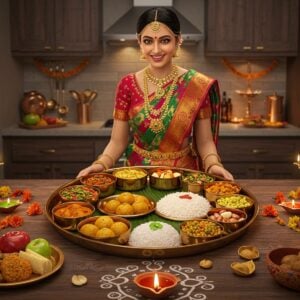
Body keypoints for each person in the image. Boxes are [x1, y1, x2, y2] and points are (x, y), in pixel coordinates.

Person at [77, 7, 233, 180]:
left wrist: (213, 165)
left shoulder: (196, 85)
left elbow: (205, 142)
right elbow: (118, 141)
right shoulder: (127, 84)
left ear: (178, 40)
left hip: (182, 177)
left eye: (165, 40)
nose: (156, 50)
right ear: (139, 42)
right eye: (148, 41)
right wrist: (100, 164)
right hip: (137, 176)